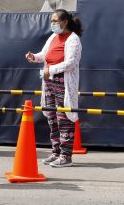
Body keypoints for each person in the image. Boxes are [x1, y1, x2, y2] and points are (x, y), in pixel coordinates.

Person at [25, 9, 82, 167]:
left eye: (55, 21)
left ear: (64, 22)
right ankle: (56, 151)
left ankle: (66, 156)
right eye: (52, 21)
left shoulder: (73, 39)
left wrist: (52, 70)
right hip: (49, 81)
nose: (52, 24)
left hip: (63, 82)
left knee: (64, 117)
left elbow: (71, 63)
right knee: (51, 116)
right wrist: (34, 57)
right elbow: (45, 55)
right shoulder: (53, 37)